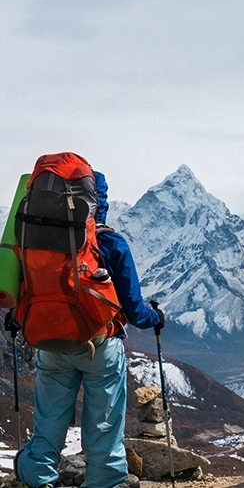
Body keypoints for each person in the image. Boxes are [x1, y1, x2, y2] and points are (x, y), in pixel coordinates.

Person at [15, 168, 163, 488]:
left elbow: (19, 291)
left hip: (50, 344)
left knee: (48, 423)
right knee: (104, 427)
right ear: (99, 201)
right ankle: (103, 483)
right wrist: (156, 318)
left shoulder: (32, 238)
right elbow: (135, 311)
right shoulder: (109, 242)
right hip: (100, 346)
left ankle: (37, 479)